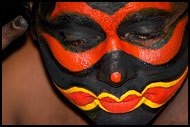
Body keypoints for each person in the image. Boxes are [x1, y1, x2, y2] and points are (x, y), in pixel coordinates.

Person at [2, 2, 188, 125]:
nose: (116, 75)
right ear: (34, 24)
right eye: (78, 40)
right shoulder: (14, 87)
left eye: (146, 34)